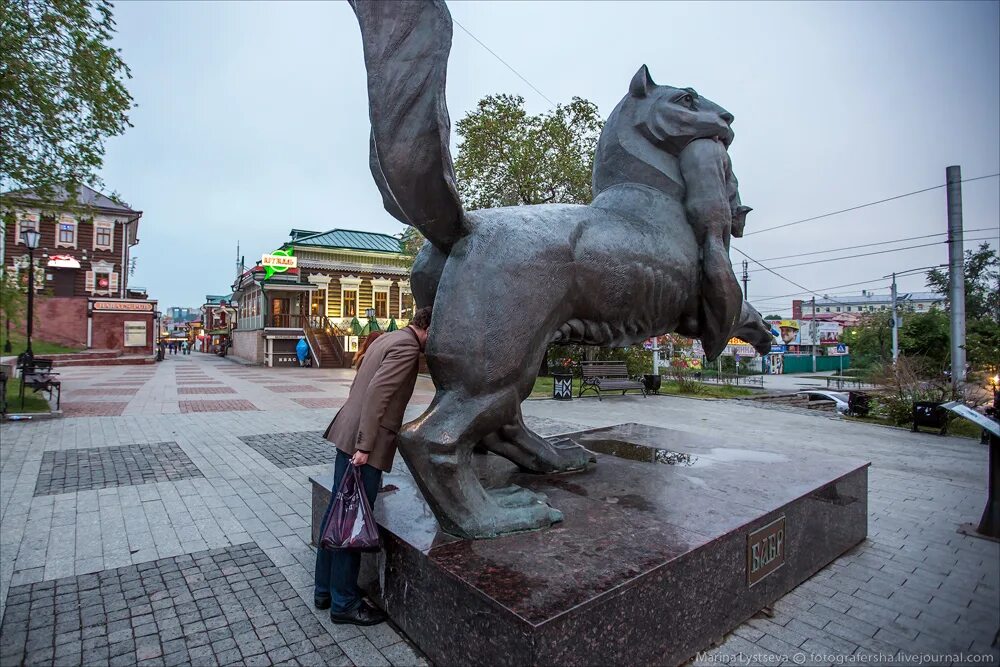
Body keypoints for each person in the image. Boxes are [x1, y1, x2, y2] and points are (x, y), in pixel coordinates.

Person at [314, 306, 432, 626]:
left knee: (337, 512)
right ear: (429, 328)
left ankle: (324, 590)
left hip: (348, 432)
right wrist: (365, 445)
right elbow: (378, 395)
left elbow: (362, 385)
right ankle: (345, 602)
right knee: (352, 519)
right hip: (364, 441)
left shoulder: (389, 338)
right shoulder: (407, 347)